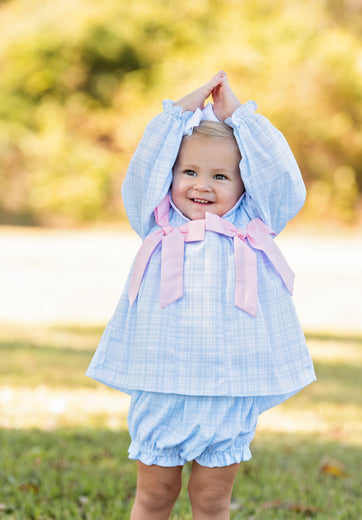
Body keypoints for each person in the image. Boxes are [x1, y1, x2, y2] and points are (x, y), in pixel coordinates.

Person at [86, 70, 316, 519]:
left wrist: (243, 120)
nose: (202, 185)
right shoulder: (157, 218)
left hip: (227, 387)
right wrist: (177, 116)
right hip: (163, 383)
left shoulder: (255, 221)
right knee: (155, 495)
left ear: (245, 185)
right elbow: (142, 170)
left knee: (212, 499)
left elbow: (284, 180)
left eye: (220, 175)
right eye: (189, 171)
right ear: (170, 175)